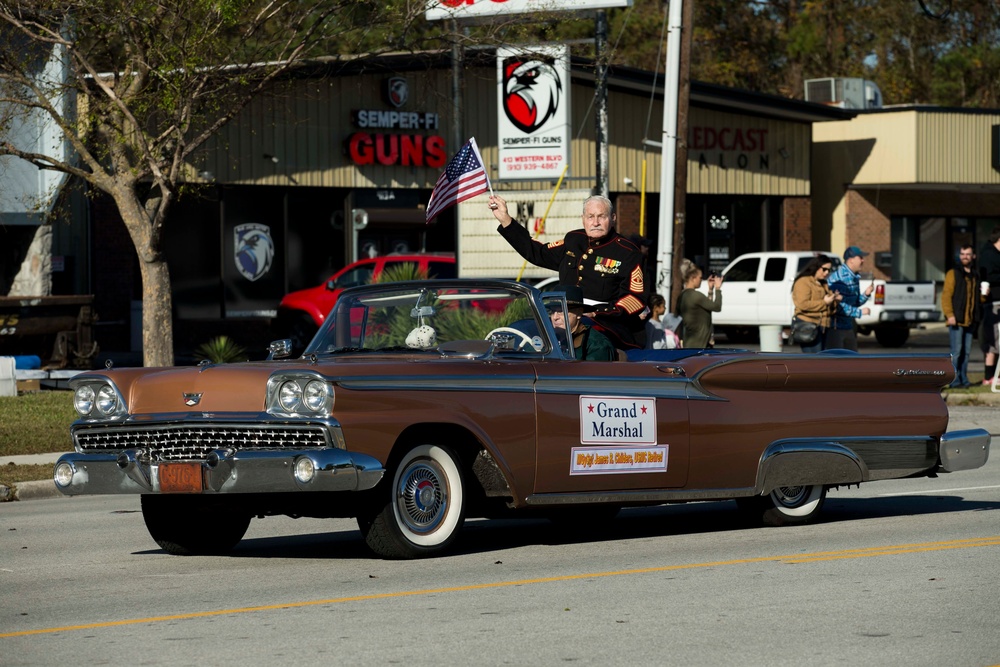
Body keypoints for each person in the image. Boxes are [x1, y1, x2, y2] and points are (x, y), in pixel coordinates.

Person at [489, 194, 646, 348]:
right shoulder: (574, 240)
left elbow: (634, 299)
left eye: (601, 216)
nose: (595, 222)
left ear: (613, 218)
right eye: (590, 216)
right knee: (521, 331)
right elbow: (538, 253)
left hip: (605, 324)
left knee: (578, 336)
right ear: (583, 218)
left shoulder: (627, 252)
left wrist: (595, 313)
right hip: (563, 317)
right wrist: (506, 220)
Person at [942, 244, 981, 388]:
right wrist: (949, 315)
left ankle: (964, 379)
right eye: (963, 254)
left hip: (970, 320)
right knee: (956, 352)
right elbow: (946, 296)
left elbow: (976, 298)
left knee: (967, 352)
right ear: (959, 256)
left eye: (968, 254)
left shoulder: (975, 275)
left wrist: (984, 296)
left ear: (973, 256)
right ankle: (954, 380)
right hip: (956, 320)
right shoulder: (953, 273)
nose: (965, 256)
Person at [549, 285, 617, 361]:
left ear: (578, 314)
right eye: (552, 311)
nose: (555, 317)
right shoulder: (546, 339)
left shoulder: (596, 344)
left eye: (561, 311)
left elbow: (592, 372)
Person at [826, 246, 873, 351]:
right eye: (860, 257)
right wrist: (860, 313)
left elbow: (854, 302)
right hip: (836, 328)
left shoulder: (854, 277)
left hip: (848, 326)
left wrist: (866, 294)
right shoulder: (840, 278)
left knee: (852, 361)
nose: (863, 260)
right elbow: (838, 305)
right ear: (851, 260)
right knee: (836, 362)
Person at [791, 255, 840, 353]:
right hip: (808, 325)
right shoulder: (803, 282)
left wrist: (835, 300)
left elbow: (829, 308)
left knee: (821, 360)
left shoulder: (824, 283)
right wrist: (824, 302)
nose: (826, 273)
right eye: (824, 269)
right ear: (816, 267)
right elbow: (802, 304)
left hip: (823, 326)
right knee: (813, 360)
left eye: (829, 270)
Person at [675, 259, 722, 348]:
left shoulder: (682, 295)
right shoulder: (696, 296)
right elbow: (717, 307)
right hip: (699, 345)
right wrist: (718, 289)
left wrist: (710, 289)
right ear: (693, 278)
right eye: (700, 277)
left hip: (689, 343)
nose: (701, 280)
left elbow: (708, 306)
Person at [978, 227, 1000, 384]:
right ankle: (989, 376)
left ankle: (994, 375)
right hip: (994, 302)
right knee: (994, 341)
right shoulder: (989, 255)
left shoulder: (995, 254)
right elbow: (987, 276)